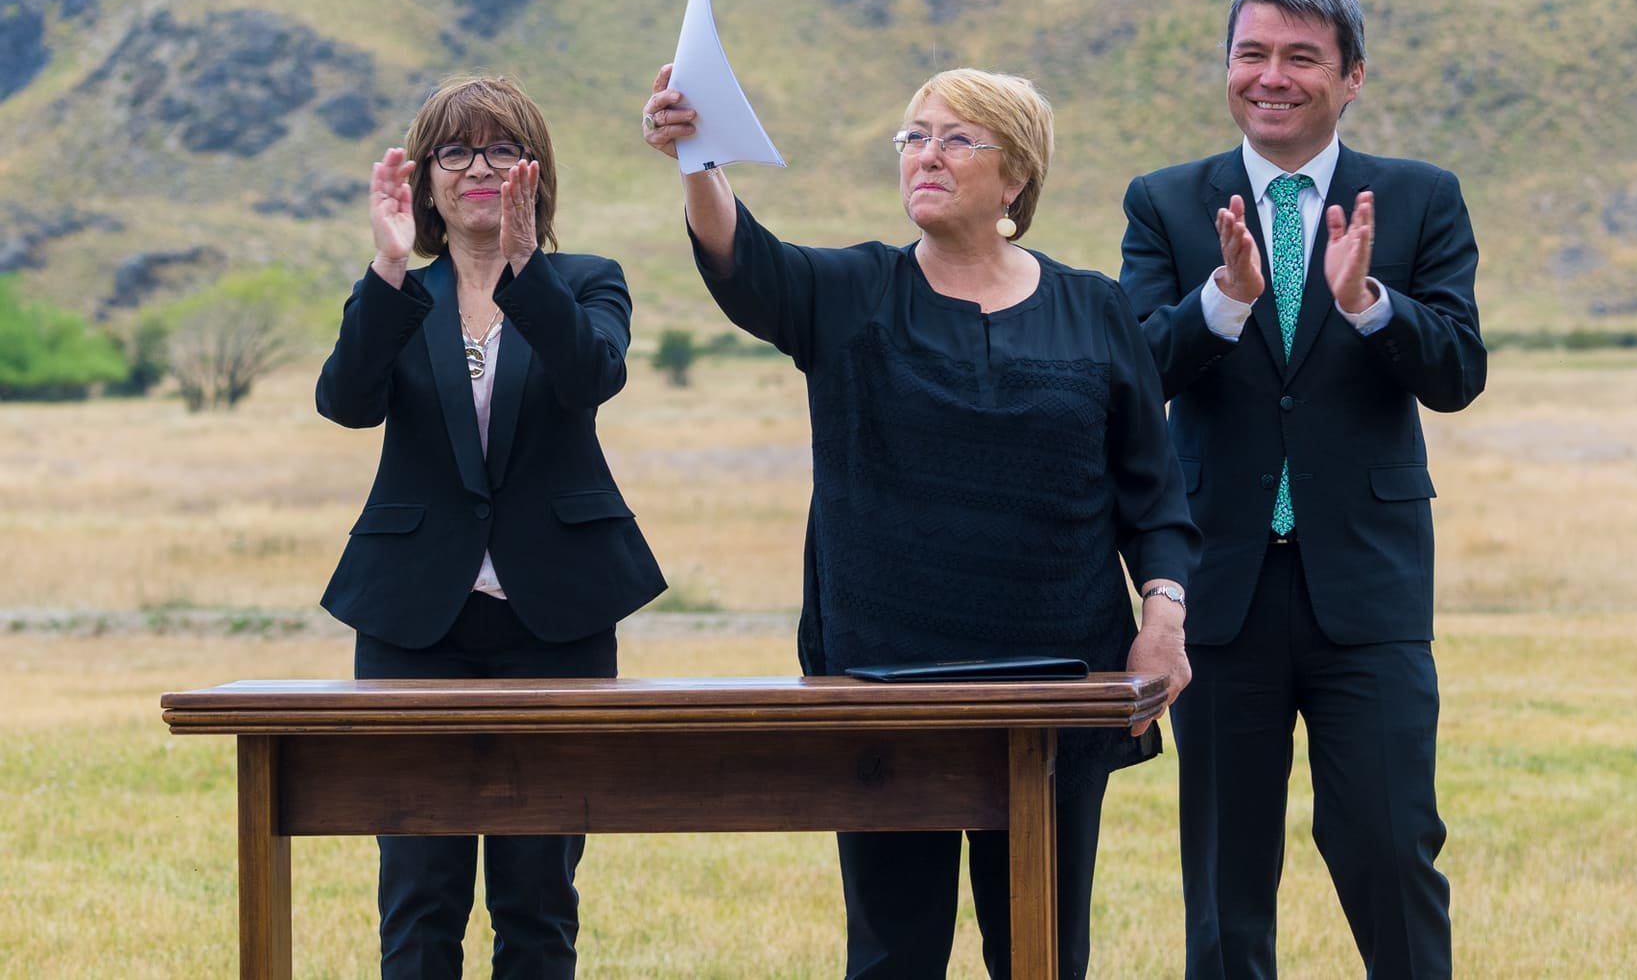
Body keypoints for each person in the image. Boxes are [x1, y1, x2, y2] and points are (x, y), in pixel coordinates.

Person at [642, 63, 1198, 980]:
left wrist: (1164, 617)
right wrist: (696, 157)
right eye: (913, 137)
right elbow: (746, 263)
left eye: (953, 138)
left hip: (1053, 691)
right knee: (894, 955)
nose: (923, 156)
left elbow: (1153, 493)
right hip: (884, 687)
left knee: (1041, 953)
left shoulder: (1093, 308)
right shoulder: (854, 291)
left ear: (1016, 176)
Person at [1119, 0, 1487, 980]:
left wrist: (1371, 303)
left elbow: (1457, 371)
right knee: (1225, 876)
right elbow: (1134, 373)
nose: (1269, 76)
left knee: (1385, 843)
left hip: (1363, 589)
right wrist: (1224, 300)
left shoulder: (1417, 200)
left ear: (1351, 75)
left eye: (1299, 57)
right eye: (1250, 54)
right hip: (1220, 588)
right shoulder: (1164, 202)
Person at [317, 74, 666, 979]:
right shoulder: (403, 293)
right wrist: (387, 268)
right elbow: (346, 402)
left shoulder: (588, 281)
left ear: (534, 173)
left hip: (556, 616)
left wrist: (523, 271)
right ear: (426, 179)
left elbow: (593, 377)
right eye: (455, 151)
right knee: (419, 894)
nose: (479, 167)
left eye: (502, 149)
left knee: (537, 896)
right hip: (411, 620)